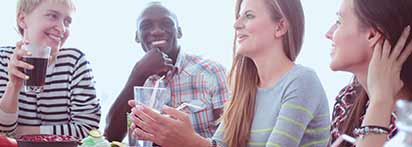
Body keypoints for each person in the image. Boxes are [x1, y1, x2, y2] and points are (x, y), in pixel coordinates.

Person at [128, 0, 330, 146]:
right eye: (238, 16)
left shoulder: (302, 81)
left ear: (280, 26)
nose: (236, 24)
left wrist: (191, 142)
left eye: (249, 15)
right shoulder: (245, 89)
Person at [104, 2, 229, 142]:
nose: (156, 31)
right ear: (137, 37)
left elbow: (231, 138)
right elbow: (110, 137)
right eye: (146, 26)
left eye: (166, 23)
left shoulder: (211, 72)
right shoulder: (135, 76)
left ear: (179, 31)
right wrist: (138, 75)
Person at [0, 0, 101, 139]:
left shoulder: (75, 62)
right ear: (22, 19)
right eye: (52, 16)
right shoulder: (2, 60)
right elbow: (2, 132)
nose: (62, 29)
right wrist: (13, 86)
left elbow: (89, 131)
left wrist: (22, 132)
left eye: (67, 22)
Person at [325, 0, 412, 146]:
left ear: (372, 35)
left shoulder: (406, 129)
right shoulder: (348, 100)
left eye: (339, 22)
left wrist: (380, 101)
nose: (328, 34)